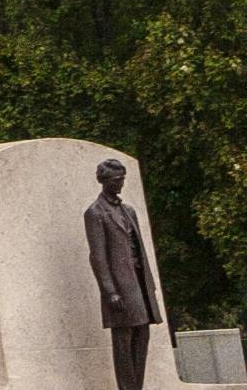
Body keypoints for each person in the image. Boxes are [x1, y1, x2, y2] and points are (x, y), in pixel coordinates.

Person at [87, 159, 163, 390]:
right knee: (123, 339)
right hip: (120, 287)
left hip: (139, 282)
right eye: (116, 180)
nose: (120, 183)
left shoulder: (128, 211)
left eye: (122, 179)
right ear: (104, 181)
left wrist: (149, 284)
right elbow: (97, 257)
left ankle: (136, 386)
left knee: (142, 334)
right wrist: (110, 291)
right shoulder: (95, 213)